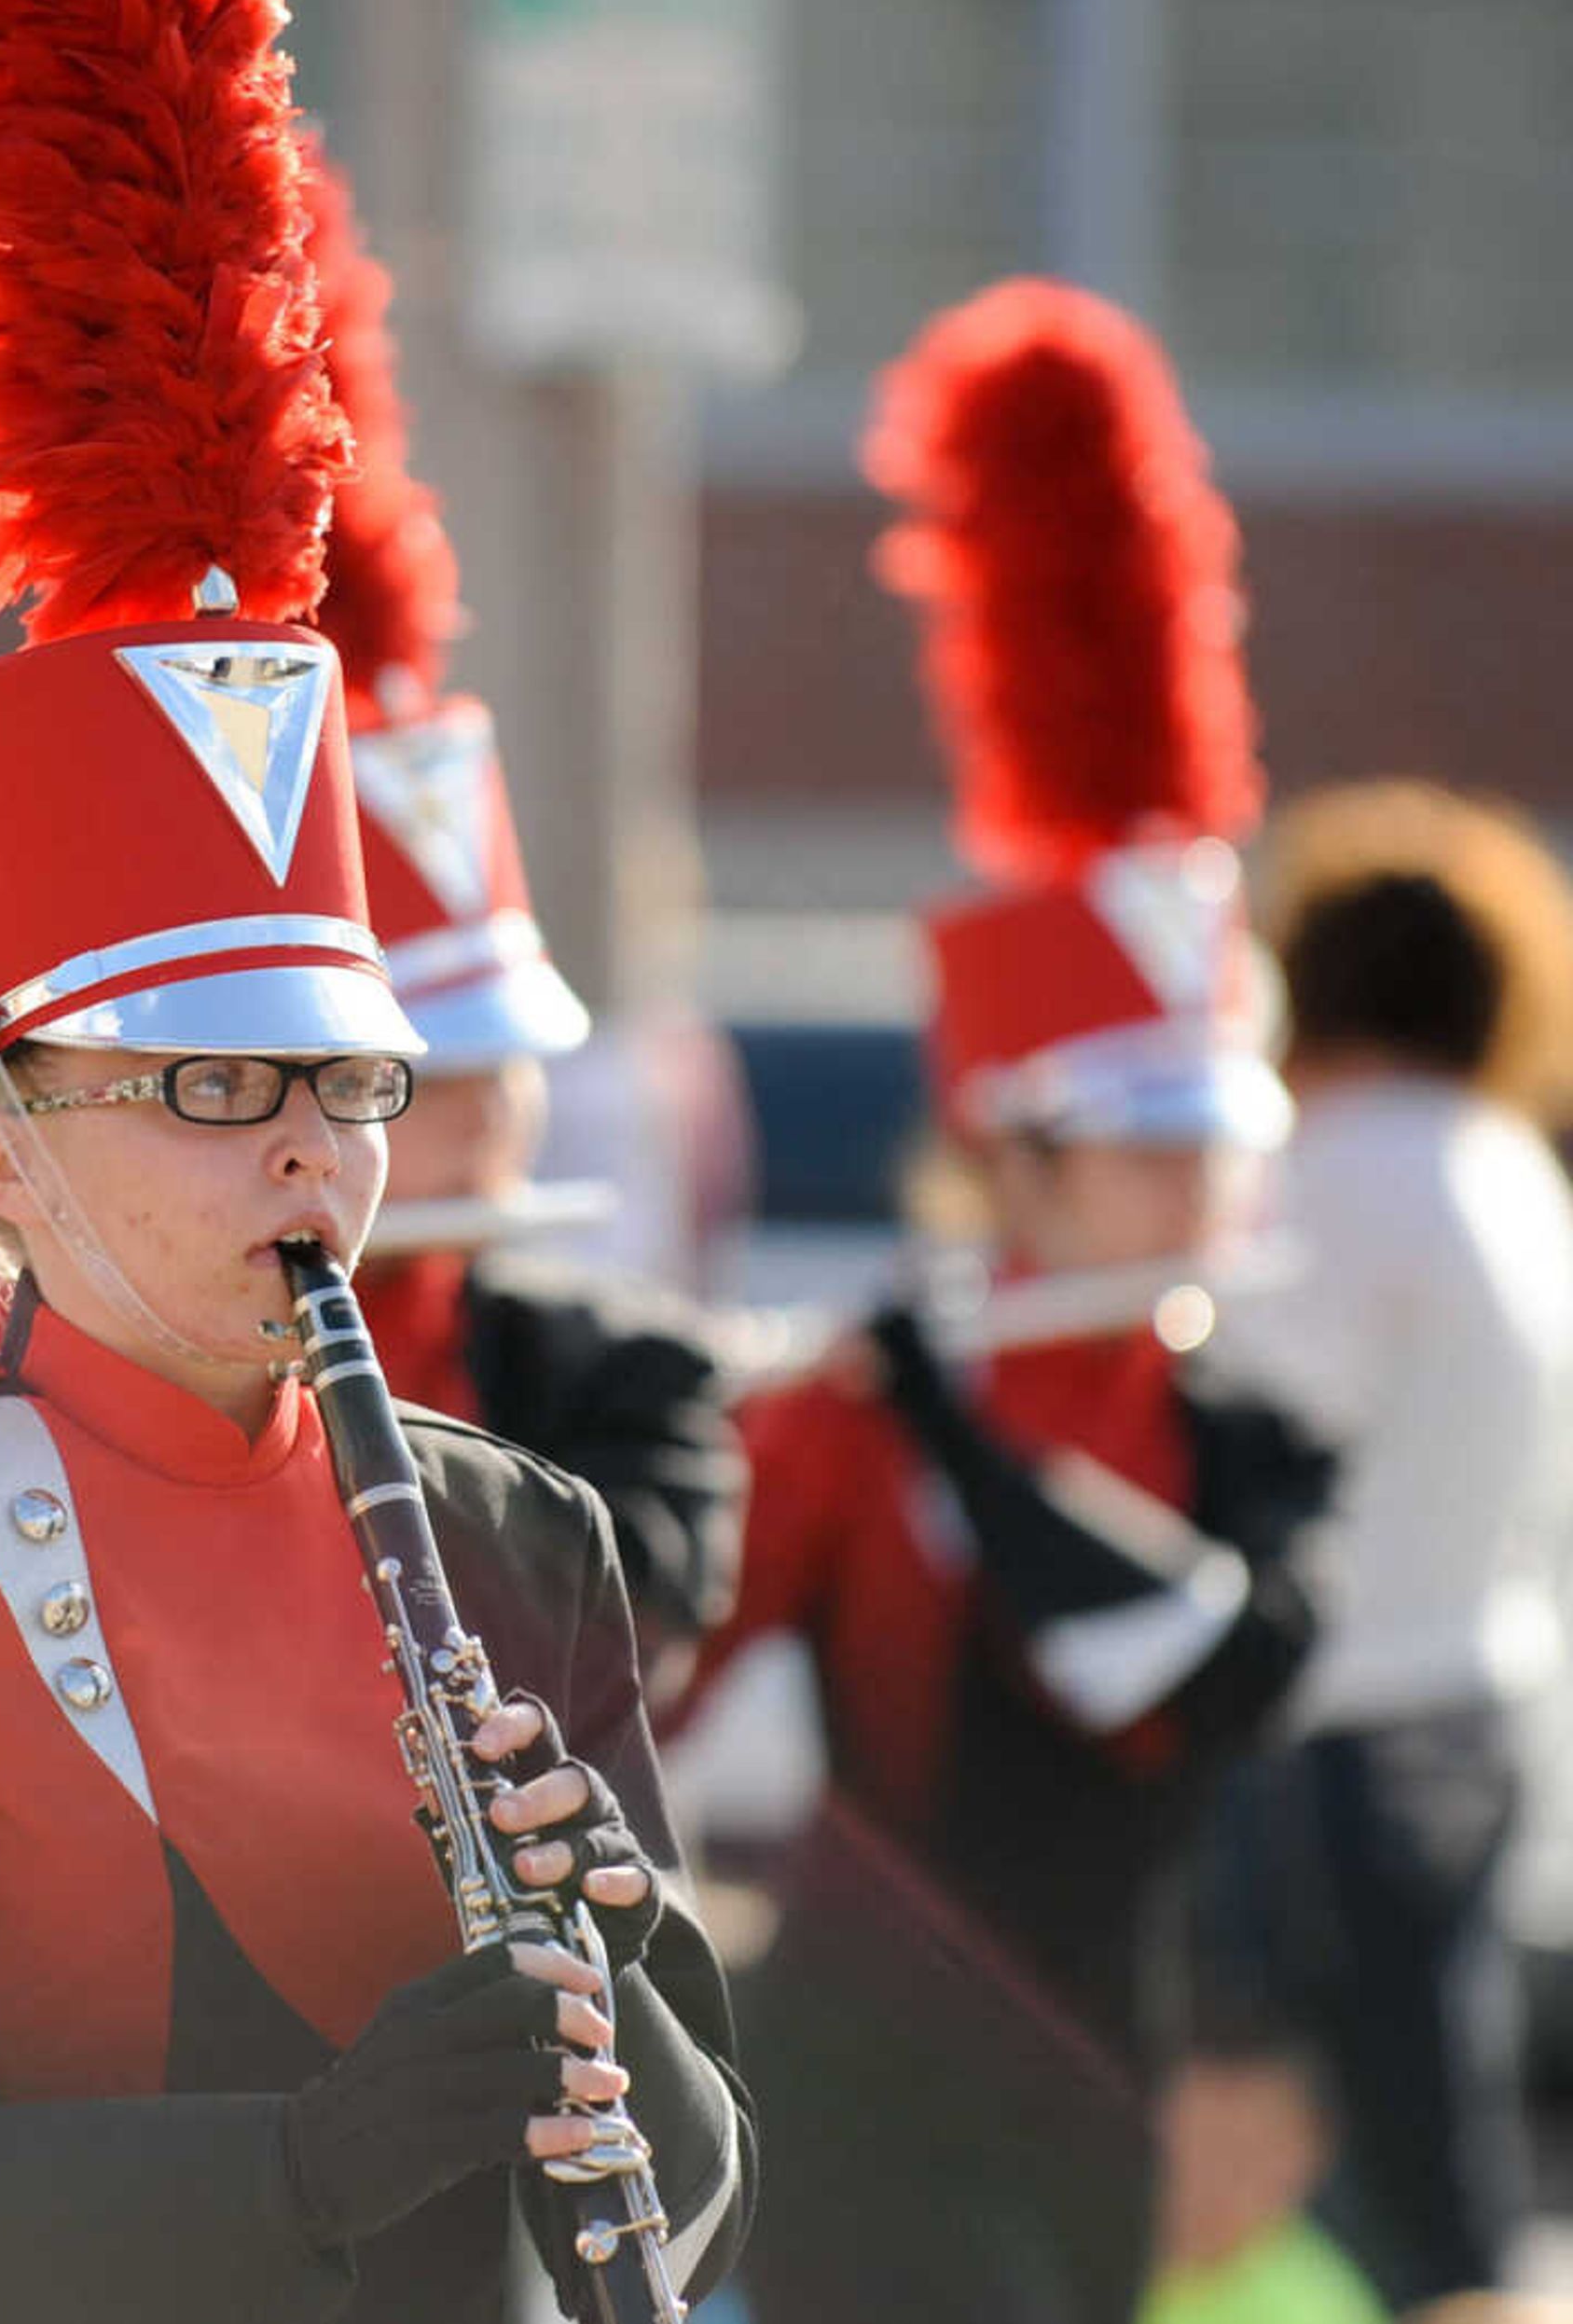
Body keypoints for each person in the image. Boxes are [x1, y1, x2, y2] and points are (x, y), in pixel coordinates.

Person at [0, 0, 752, 2317]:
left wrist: (616, 1987)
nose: (322, 1159)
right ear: (0, 1139)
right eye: (218, 1089)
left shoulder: (516, 1528)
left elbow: (684, 2202)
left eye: (351, 1085)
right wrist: (305, 2169)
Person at [0, 140, 742, 1686]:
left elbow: (629, 1646)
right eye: (245, 1079)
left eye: (400, 1074)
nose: (430, 1132)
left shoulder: (615, 1375)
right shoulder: (24, 1363)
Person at [684, 280, 1334, 2324]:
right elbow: (656, 1678)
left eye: (1212, 1132)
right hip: (860, 2110)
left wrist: (951, 1429)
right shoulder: (849, 1414)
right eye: (1141, 1138)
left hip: (1113, 2098)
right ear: (1013, 1151)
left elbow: (1189, 1679)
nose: (1199, 1184)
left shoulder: (1250, 1442)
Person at [1192, 778, 1573, 2309]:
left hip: (1326, 1740)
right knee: (1436, 2157)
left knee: (1297, 2185)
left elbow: (1241, 1433)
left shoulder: (1339, 1164)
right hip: (1469, 1714)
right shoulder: (1508, 1169)